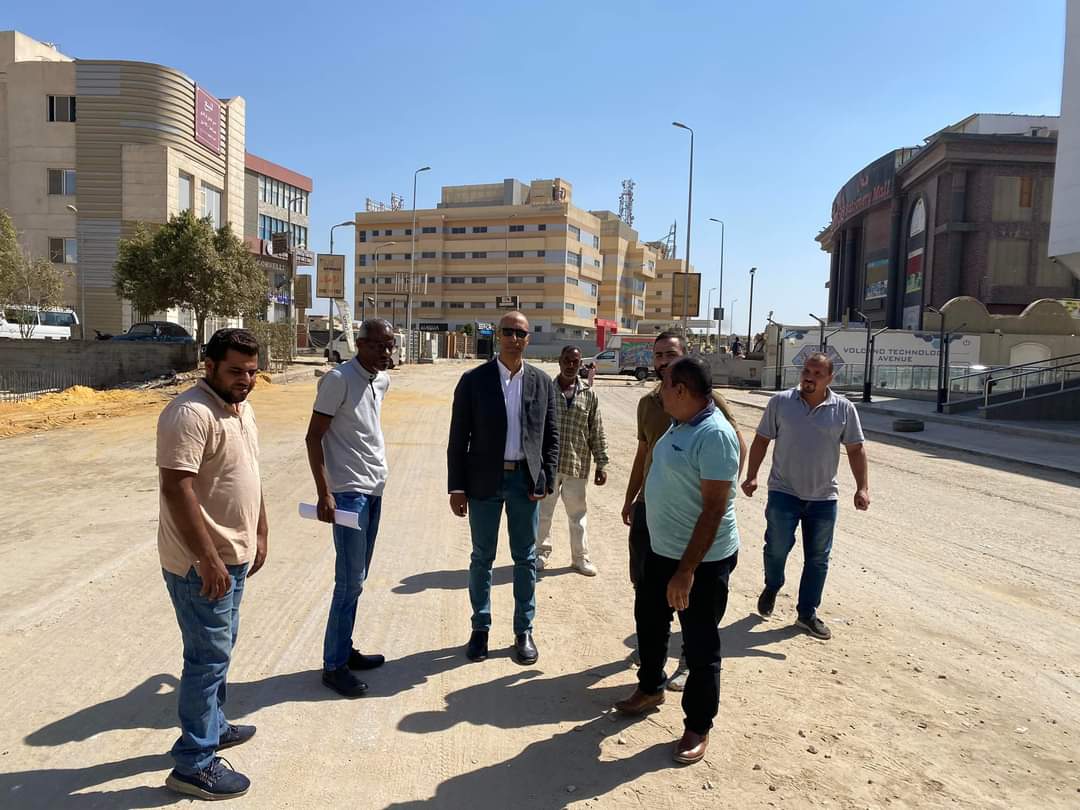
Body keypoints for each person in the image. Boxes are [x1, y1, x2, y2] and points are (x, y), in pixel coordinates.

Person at [157, 328, 267, 801]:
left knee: (220, 649)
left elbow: (250, 474)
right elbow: (175, 488)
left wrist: (260, 531)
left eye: (252, 371)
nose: (245, 380)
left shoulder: (241, 409)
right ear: (209, 366)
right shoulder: (190, 413)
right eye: (235, 371)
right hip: (201, 564)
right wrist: (207, 558)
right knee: (206, 659)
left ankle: (215, 726)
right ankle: (194, 763)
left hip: (232, 556)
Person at [615, 357, 741, 765]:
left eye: (665, 385)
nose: (660, 393)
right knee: (650, 623)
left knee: (700, 644)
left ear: (682, 391)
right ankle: (650, 687)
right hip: (661, 550)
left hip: (700, 563)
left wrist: (686, 571)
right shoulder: (680, 422)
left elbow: (714, 510)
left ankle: (697, 726)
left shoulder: (714, 434)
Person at [447, 310, 559, 665]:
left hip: (525, 482)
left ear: (528, 339)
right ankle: (480, 628)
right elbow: (458, 437)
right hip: (484, 481)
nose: (514, 338)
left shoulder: (542, 383)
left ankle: (523, 630)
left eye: (520, 333)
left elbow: (551, 437)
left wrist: (546, 478)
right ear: (498, 336)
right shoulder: (473, 381)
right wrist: (457, 487)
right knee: (482, 557)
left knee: (525, 558)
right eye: (508, 332)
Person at [741, 352, 870, 641]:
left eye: (817, 374)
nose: (809, 378)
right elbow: (762, 439)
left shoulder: (844, 409)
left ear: (830, 378)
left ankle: (807, 613)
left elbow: (856, 449)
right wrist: (752, 475)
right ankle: (773, 584)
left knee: (818, 558)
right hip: (783, 491)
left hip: (824, 497)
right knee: (776, 547)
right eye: (806, 372)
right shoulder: (781, 402)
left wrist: (862, 487)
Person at [305, 319, 395, 697]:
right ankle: (333, 666)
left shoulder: (381, 380)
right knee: (349, 582)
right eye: (378, 345)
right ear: (359, 344)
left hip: (373, 491)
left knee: (358, 579)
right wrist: (324, 493)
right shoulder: (338, 380)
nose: (385, 352)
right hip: (348, 495)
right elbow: (314, 437)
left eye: (390, 345)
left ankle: (344, 648)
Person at [536, 346, 608, 576]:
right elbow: (535, 427)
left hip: (576, 465)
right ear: (559, 361)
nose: (570, 365)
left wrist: (601, 463)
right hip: (548, 465)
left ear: (580, 364)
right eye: (566, 360)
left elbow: (596, 430)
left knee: (577, 516)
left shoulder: (589, 394)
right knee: (543, 513)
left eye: (575, 362)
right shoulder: (546, 390)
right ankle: (540, 553)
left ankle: (580, 558)